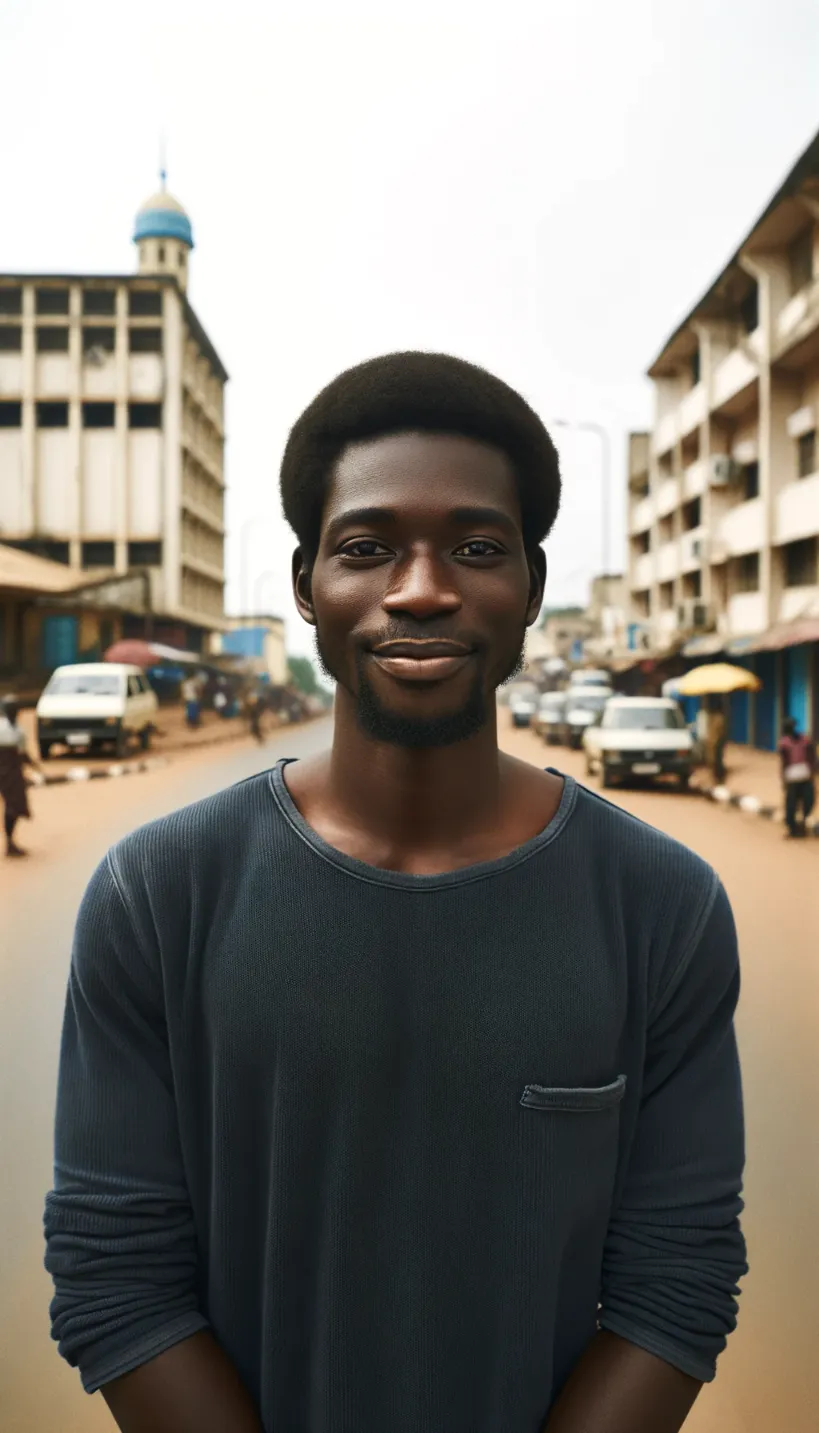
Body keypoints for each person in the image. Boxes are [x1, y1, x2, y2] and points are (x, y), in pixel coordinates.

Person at [45, 352, 747, 1433]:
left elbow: (676, 1281)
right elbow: (116, 1275)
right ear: (306, 586)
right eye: (368, 549)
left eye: (476, 546)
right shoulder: (158, 894)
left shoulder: (662, 907)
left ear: (533, 588)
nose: (422, 589)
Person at [0, 697, 40, 858]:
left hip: (13, 772)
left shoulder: (19, 731)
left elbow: (23, 754)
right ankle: (9, 842)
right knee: (11, 806)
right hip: (5, 771)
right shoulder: (2, 728)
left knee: (14, 806)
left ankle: (10, 841)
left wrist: (35, 766)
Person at [778, 715, 816, 838]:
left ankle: (802, 823)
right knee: (791, 805)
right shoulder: (784, 743)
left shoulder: (804, 740)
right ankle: (793, 828)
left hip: (804, 775)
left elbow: (811, 756)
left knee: (808, 801)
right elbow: (784, 762)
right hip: (793, 777)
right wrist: (784, 778)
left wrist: (812, 771)